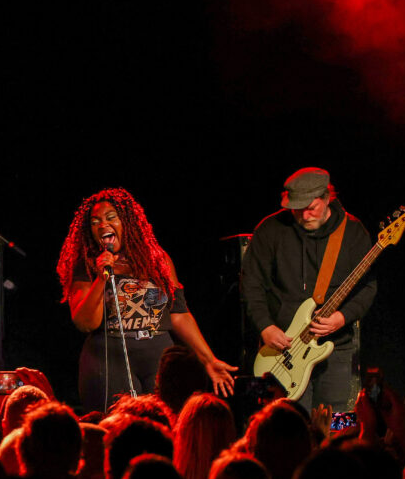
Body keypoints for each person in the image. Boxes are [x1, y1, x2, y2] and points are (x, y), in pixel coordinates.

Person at [57, 188, 236, 412]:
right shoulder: (87, 265)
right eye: (95, 222)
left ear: (128, 222)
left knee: (164, 423)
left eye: (111, 218)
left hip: (156, 352)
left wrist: (209, 359)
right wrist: (103, 277)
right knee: (116, 427)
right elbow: (85, 322)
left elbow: (179, 314)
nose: (103, 225)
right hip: (108, 355)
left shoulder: (157, 260)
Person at [240, 167, 376, 411]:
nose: (304, 215)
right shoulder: (271, 230)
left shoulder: (353, 232)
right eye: (297, 209)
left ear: (327, 197)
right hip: (282, 349)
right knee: (289, 423)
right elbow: (251, 282)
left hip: (336, 348)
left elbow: (368, 286)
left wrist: (342, 317)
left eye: (311, 207)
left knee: (338, 421)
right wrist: (265, 326)